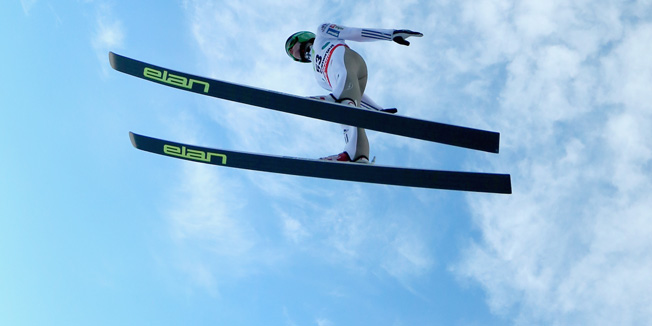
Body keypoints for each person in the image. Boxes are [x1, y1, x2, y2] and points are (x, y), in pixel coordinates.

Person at [285, 23, 423, 162]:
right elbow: (354, 92)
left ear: (302, 37)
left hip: (352, 63)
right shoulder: (319, 78)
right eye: (290, 55)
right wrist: (377, 110)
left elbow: (354, 33)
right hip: (346, 90)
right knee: (350, 113)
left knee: (343, 100)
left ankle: (336, 101)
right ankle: (357, 156)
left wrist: (390, 34)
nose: (292, 54)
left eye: (291, 47)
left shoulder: (322, 33)